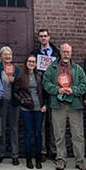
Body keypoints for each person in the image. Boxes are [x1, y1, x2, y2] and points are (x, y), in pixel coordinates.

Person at [43, 43, 86, 170]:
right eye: (64, 52)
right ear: (60, 52)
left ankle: (80, 160)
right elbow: (45, 83)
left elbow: (84, 85)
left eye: (68, 52)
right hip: (58, 105)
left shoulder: (78, 69)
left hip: (74, 105)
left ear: (71, 53)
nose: (66, 54)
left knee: (78, 134)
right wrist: (57, 90)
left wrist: (73, 90)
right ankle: (60, 159)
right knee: (59, 134)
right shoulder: (52, 68)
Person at [13, 54, 48, 169]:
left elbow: (44, 92)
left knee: (38, 133)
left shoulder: (40, 76)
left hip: (39, 108)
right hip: (26, 108)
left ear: (36, 64)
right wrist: (22, 101)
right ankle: (28, 159)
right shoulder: (20, 76)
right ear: (26, 63)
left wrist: (45, 104)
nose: (31, 63)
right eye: (29, 61)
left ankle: (38, 159)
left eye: (33, 62)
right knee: (28, 133)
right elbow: (15, 92)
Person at [34, 28, 59, 161]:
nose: (43, 38)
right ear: (39, 39)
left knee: (54, 123)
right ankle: (42, 150)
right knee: (41, 125)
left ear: (49, 37)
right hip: (40, 92)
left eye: (45, 36)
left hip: (54, 92)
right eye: (41, 36)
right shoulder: (34, 53)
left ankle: (54, 150)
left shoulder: (56, 52)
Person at [0, 46, 20, 165]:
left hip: (13, 102)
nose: (7, 56)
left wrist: (15, 81)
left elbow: (21, 85)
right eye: (5, 54)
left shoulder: (16, 69)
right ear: (1, 56)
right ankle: (0, 153)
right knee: (1, 128)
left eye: (9, 54)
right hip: (1, 102)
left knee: (14, 128)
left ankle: (15, 155)